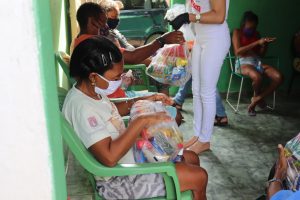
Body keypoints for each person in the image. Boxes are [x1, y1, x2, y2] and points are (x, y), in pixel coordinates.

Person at [63, 36, 208, 200]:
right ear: (93, 76)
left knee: (192, 158)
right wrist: (141, 122)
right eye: (115, 78)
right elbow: (109, 158)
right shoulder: (82, 107)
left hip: (129, 159)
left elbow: (110, 112)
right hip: (118, 181)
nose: (119, 81)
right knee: (199, 177)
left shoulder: (90, 92)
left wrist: (145, 100)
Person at [169, 0, 231, 154]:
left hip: (215, 39)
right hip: (200, 39)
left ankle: (205, 140)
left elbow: (219, 16)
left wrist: (188, 17)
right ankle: (197, 135)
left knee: (206, 92)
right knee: (196, 90)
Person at [100, 0, 171, 95]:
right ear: (104, 17)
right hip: (132, 69)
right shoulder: (107, 35)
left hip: (135, 60)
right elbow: (125, 57)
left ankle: (165, 103)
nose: (116, 20)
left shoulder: (114, 31)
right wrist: (151, 62)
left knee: (161, 67)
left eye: (117, 16)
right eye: (113, 17)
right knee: (161, 74)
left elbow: (131, 51)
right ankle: (165, 103)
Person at [232, 11, 283, 116]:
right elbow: (237, 51)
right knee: (258, 76)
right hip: (242, 63)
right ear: (243, 24)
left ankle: (257, 98)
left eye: (254, 28)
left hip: (257, 62)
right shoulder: (237, 32)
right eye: (249, 28)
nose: (252, 30)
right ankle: (254, 104)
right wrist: (257, 42)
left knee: (279, 77)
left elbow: (261, 55)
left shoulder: (257, 34)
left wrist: (264, 45)